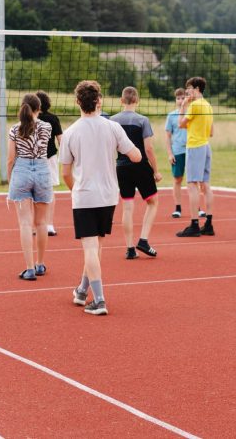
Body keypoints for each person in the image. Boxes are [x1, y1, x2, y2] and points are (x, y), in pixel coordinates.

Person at [61, 80, 141, 316]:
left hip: (85, 195)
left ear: (77, 102)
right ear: (99, 100)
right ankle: (82, 291)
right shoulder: (113, 127)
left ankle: (99, 300)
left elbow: (65, 172)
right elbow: (136, 156)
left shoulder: (70, 132)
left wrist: (75, 190)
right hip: (108, 195)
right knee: (96, 246)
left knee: (90, 247)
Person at [111, 86, 162, 259]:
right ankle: (144, 240)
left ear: (121, 100)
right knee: (153, 202)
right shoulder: (142, 120)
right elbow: (148, 148)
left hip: (122, 166)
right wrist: (156, 171)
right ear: (137, 101)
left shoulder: (112, 121)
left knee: (127, 207)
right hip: (140, 165)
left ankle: (130, 249)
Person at [7, 93, 53, 281]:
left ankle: (29, 268)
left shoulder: (14, 129)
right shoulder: (47, 127)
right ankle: (40, 264)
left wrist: (10, 178)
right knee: (41, 222)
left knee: (25, 223)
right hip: (42, 170)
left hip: (22, 171)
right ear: (39, 108)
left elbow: (11, 158)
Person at [175, 76, 215, 237]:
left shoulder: (194, 105)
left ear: (197, 89)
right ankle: (209, 224)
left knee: (192, 185)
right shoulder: (208, 105)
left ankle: (194, 225)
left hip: (195, 146)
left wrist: (183, 106)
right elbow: (211, 132)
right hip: (206, 146)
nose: (187, 92)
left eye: (189, 89)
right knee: (206, 185)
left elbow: (180, 124)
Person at [36, 91, 63, 236]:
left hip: (34, 159)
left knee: (35, 192)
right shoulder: (53, 118)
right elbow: (61, 140)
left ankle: (37, 225)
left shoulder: (30, 119)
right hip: (50, 157)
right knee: (50, 190)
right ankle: (49, 225)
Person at [165, 88, 188, 218]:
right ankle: (178, 208)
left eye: (183, 98)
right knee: (177, 179)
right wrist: (170, 153)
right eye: (178, 98)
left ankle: (197, 207)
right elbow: (168, 137)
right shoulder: (171, 116)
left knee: (194, 180)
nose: (180, 100)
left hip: (191, 150)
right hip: (177, 151)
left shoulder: (192, 113)